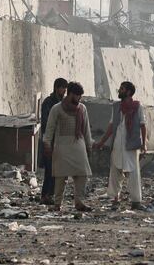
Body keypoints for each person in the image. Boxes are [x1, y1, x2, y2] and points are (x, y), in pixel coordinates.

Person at [93, 81, 146, 210]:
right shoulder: (116, 106)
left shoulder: (137, 107)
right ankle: (115, 197)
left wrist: (144, 144)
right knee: (115, 169)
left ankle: (136, 200)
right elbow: (112, 126)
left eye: (122, 89)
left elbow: (143, 125)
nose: (119, 90)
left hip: (131, 143)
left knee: (133, 172)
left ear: (128, 92)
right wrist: (102, 141)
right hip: (118, 142)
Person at [43, 81, 93, 211]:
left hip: (78, 145)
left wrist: (89, 145)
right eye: (77, 96)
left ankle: (79, 202)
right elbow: (50, 128)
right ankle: (57, 204)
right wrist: (47, 144)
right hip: (62, 146)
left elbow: (86, 129)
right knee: (60, 177)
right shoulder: (57, 108)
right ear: (70, 94)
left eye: (80, 96)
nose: (79, 99)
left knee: (82, 174)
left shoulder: (82, 109)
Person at [39, 77, 68, 204]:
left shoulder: (65, 103)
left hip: (61, 142)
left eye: (65, 88)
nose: (64, 90)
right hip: (49, 141)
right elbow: (46, 123)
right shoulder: (49, 102)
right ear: (57, 88)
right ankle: (45, 195)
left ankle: (52, 195)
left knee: (58, 170)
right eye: (62, 87)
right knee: (50, 170)